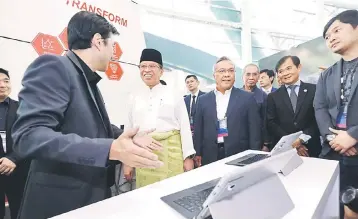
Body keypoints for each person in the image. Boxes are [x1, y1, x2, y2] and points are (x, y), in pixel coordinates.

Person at [11, 11, 163, 219]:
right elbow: (29, 136)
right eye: (112, 46)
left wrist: (126, 136)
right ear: (98, 42)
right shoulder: (55, 67)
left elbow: (93, 125)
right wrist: (109, 149)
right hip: (61, 202)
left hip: (89, 199)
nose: (113, 54)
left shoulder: (85, 78)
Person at [123, 49, 195, 188]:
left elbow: (185, 127)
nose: (147, 70)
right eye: (143, 66)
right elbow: (129, 129)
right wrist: (127, 162)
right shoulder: (134, 96)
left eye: (152, 66)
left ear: (161, 71)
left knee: (172, 192)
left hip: (171, 153)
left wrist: (188, 157)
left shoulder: (174, 93)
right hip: (144, 154)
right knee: (146, 195)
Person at [314, 9, 358, 218]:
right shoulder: (327, 74)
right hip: (334, 152)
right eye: (327, 37)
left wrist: (353, 136)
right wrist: (333, 138)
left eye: (336, 31)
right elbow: (319, 107)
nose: (331, 38)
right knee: (337, 208)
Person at [193, 56, 262, 166]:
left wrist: (254, 156)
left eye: (230, 71)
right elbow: (198, 129)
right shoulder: (203, 100)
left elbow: (254, 131)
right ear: (214, 75)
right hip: (210, 155)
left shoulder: (247, 98)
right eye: (222, 71)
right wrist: (197, 153)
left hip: (239, 155)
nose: (227, 74)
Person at [267, 56, 321, 157]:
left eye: (288, 68)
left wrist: (302, 139)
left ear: (299, 67)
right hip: (285, 150)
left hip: (311, 147)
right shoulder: (273, 96)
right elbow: (271, 122)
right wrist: (292, 142)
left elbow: (318, 117)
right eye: (281, 71)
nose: (285, 73)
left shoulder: (314, 90)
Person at [0, 68, 29, 219]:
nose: (3, 85)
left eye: (6, 81)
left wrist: (13, 158)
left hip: (18, 169)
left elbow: (30, 137)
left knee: (20, 211)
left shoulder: (22, 108)